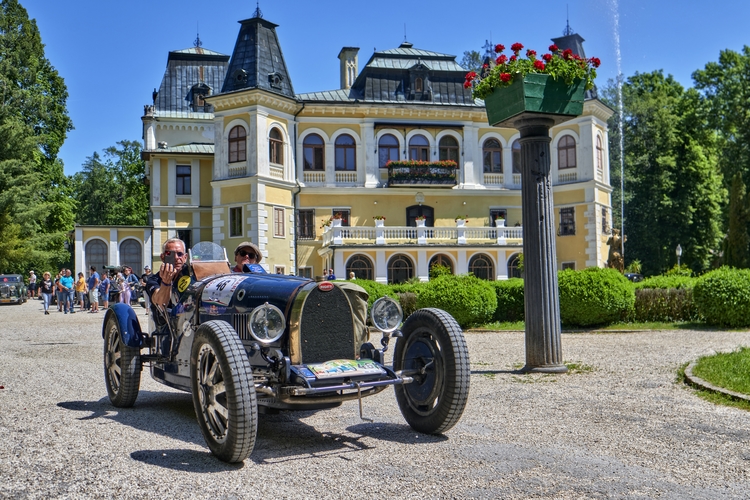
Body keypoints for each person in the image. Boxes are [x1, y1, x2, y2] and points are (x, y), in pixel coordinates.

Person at [146, 238, 187, 315]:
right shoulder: (154, 279)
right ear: (162, 257)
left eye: (180, 254)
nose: (176, 257)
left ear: (185, 257)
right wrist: (166, 281)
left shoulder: (191, 275)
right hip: (164, 322)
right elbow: (160, 304)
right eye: (170, 254)